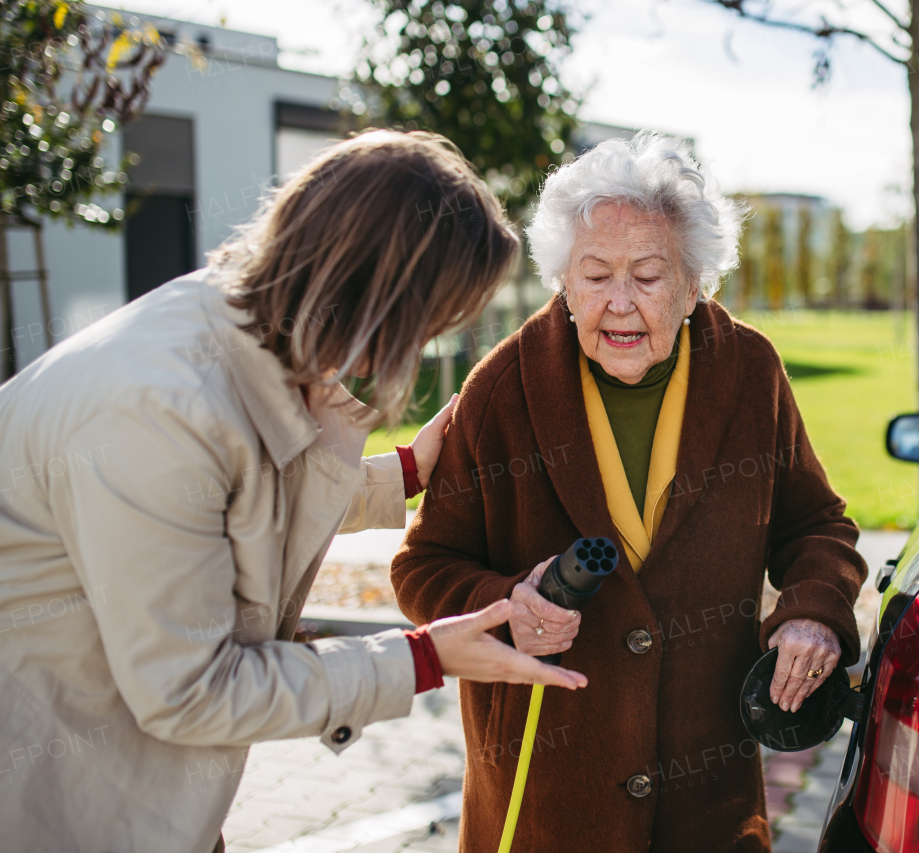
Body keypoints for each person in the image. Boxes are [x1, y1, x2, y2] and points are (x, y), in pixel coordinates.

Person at [0, 130, 586, 853]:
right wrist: (423, 658)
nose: (425, 341)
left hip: (128, 787)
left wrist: (401, 475)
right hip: (56, 803)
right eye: (431, 319)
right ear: (379, 297)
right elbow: (191, 690)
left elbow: (228, 497)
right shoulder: (157, 409)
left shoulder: (226, 322)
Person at [391, 133, 868, 852]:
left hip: (707, 802)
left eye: (647, 277)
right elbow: (422, 565)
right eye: (594, 275)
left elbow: (816, 524)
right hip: (546, 801)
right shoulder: (501, 388)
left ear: (694, 284)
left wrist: (815, 612)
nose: (618, 303)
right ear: (562, 280)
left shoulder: (747, 370)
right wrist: (502, 607)